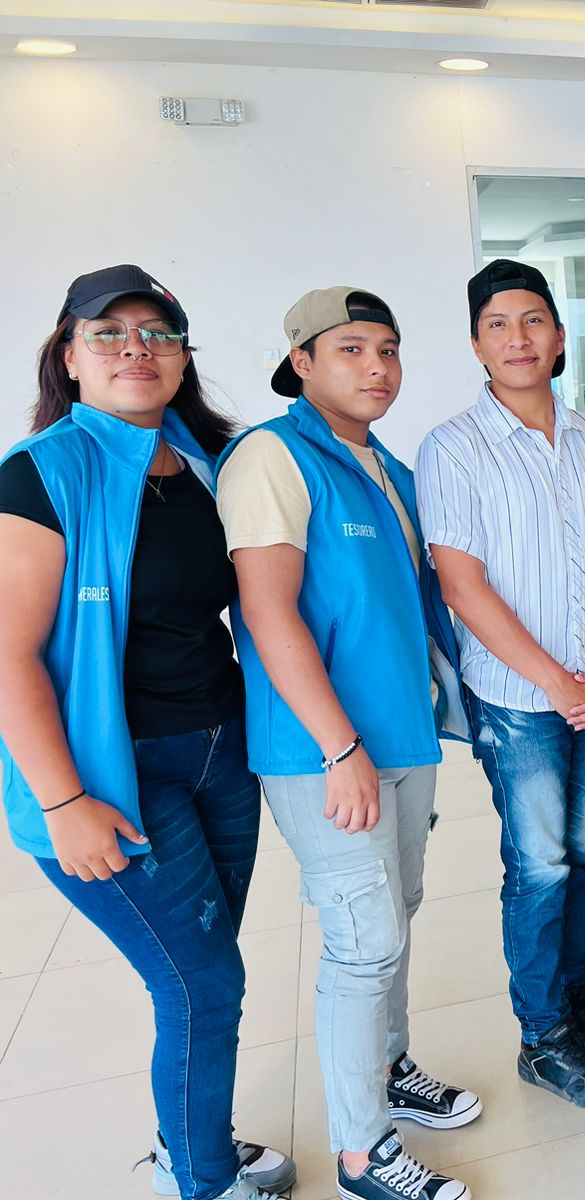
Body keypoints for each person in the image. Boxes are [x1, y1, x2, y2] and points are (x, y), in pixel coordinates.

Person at [0, 267, 294, 1200]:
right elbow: (7, 653)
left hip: (220, 753)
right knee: (202, 985)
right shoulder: (41, 471)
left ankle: (189, 1145)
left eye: (159, 333)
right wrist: (64, 803)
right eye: (109, 333)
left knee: (206, 974)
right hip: (112, 774)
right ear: (69, 356)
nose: (138, 349)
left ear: (183, 355)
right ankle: (202, 1179)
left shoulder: (210, 460)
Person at [219, 287, 480, 1200]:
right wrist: (339, 749)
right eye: (352, 348)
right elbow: (266, 611)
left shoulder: (386, 467)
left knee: (394, 916)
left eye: (390, 349)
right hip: (325, 753)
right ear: (302, 362)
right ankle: (364, 1152)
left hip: (399, 737)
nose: (378, 367)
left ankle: (389, 1068)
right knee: (364, 942)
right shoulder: (273, 456)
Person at [417, 259, 585, 1113]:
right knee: (540, 864)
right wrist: (556, 681)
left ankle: (574, 997)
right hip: (520, 701)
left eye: (533, 321)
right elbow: (461, 584)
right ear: (477, 344)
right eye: (498, 325)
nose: (517, 339)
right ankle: (542, 1035)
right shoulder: (452, 447)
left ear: (558, 337)